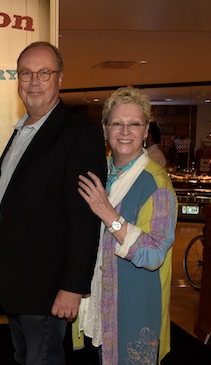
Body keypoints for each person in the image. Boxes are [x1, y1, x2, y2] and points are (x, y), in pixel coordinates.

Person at [0, 41, 107, 365]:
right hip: (19, 286)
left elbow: (85, 219)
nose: (34, 81)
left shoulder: (78, 134)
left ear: (60, 78)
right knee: (25, 357)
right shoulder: (23, 131)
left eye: (43, 73)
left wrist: (73, 287)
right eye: (26, 73)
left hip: (48, 290)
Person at [77, 86, 177, 364]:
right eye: (117, 123)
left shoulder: (157, 184)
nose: (125, 131)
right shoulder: (98, 170)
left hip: (136, 306)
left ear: (146, 131)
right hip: (98, 300)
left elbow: (155, 253)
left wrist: (108, 214)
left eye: (134, 124)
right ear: (105, 128)